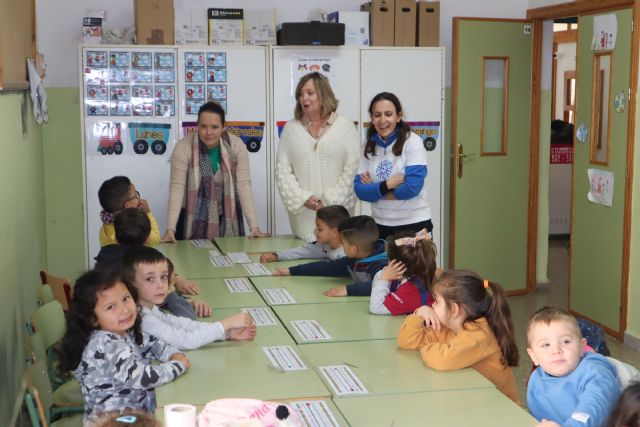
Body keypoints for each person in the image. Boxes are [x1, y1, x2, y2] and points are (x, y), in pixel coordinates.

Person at [56, 269, 188, 421]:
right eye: (111, 307)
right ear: (92, 318)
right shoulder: (105, 343)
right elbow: (143, 378)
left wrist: (172, 354)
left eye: (126, 298)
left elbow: (152, 343)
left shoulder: (120, 331)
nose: (124, 309)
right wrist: (178, 364)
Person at [397, 269, 520, 404]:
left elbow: (443, 360)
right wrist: (419, 314)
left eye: (436, 301)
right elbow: (406, 342)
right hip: (477, 399)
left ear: (454, 310)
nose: (431, 305)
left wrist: (426, 347)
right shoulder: (447, 327)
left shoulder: (479, 334)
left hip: (500, 409)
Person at [162, 101, 268, 241]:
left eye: (214, 127)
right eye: (203, 126)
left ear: (224, 127)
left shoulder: (236, 146)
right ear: (197, 126)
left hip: (227, 216)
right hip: (191, 218)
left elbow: (243, 186)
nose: (209, 132)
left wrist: (254, 227)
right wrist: (170, 228)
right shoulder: (183, 148)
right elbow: (177, 188)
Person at [276, 72, 360, 242]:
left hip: (339, 224)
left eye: (309, 93)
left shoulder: (345, 126)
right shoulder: (291, 129)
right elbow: (282, 171)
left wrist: (329, 202)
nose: (304, 98)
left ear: (323, 94)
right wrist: (303, 198)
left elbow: (353, 169)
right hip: (303, 223)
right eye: (300, 94)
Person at [122, 246, 256, 351]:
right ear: (131, 283)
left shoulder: (148, 308)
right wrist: (225, 324)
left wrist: (226, 334)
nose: (160, 285)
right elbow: (185, 341)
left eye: (163, 277)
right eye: (150, 279)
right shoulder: (142, 318)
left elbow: (181, 324)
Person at [95, 208, 209, 319]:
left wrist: (177, 281)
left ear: (115, 237)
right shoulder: (142, 265)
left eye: (163, 277)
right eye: (151, 278)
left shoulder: (105, 253)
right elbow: (185, 322)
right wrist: (184, 300)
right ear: (149, 238)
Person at [354, 92, 432, 240]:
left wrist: (375, 192)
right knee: (384, 264)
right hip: (380, 224)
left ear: (399, 116)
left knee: (414, 265)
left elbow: (411, 188)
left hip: (413, 224)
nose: (382, 120)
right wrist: (387, 185)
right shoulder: (368, 144)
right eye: (377, 115)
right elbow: (360, 190)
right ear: (372, 118)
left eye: (388, 114)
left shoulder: (412, 141)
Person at [526, 307, 621, 427]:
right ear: (533, 356)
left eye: (566, 341)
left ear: (581, 347)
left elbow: (594, 406)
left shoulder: (596, 372)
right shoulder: (536, 379)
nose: (556, 350)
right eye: (545, 345)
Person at [274, 215, 387, 297]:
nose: (341, 246)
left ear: (354, 249)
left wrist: (347, 290)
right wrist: (292, 271)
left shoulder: (383, 265)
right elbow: (327, 267)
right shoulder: (354, 259)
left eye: (343, 243)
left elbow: (381, 285)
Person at [369, 229, 439, 315]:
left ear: (395, 264)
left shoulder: (411, 290)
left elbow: (376, 307)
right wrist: (384, 275)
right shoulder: (415, 275)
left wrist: (384, 279)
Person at [259, 205, 349, 263]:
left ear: (335, 233)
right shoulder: (323, 246)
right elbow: (302, 251)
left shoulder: (348, 254)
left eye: (320, 229)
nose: (315, 231)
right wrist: (276, 255)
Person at [98, 176, 160, 246]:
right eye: (136, 196)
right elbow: (156, 239)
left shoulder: (104, 229)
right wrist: (148, 213)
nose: (139, 199)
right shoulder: (134, 228)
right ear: (127, 205)